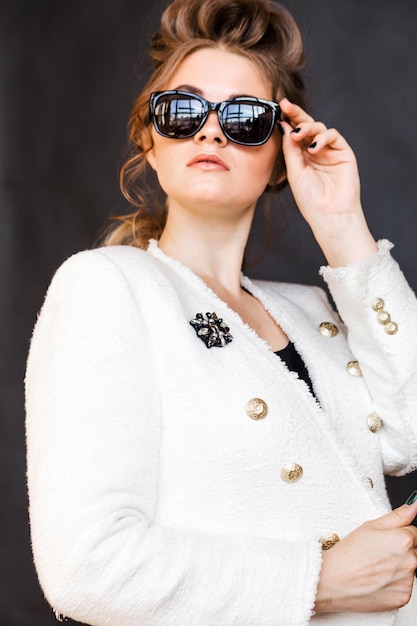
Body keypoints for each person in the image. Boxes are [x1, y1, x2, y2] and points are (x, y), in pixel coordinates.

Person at [25, 0, 417, 624]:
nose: (210, 131)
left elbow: (411, 436)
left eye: (244, 118)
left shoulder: (316, 309)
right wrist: (319, 581)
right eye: (182, 111)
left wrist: (343, 226)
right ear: (150, 142)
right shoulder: (107, 286)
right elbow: (87, 564)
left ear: (280, 158)